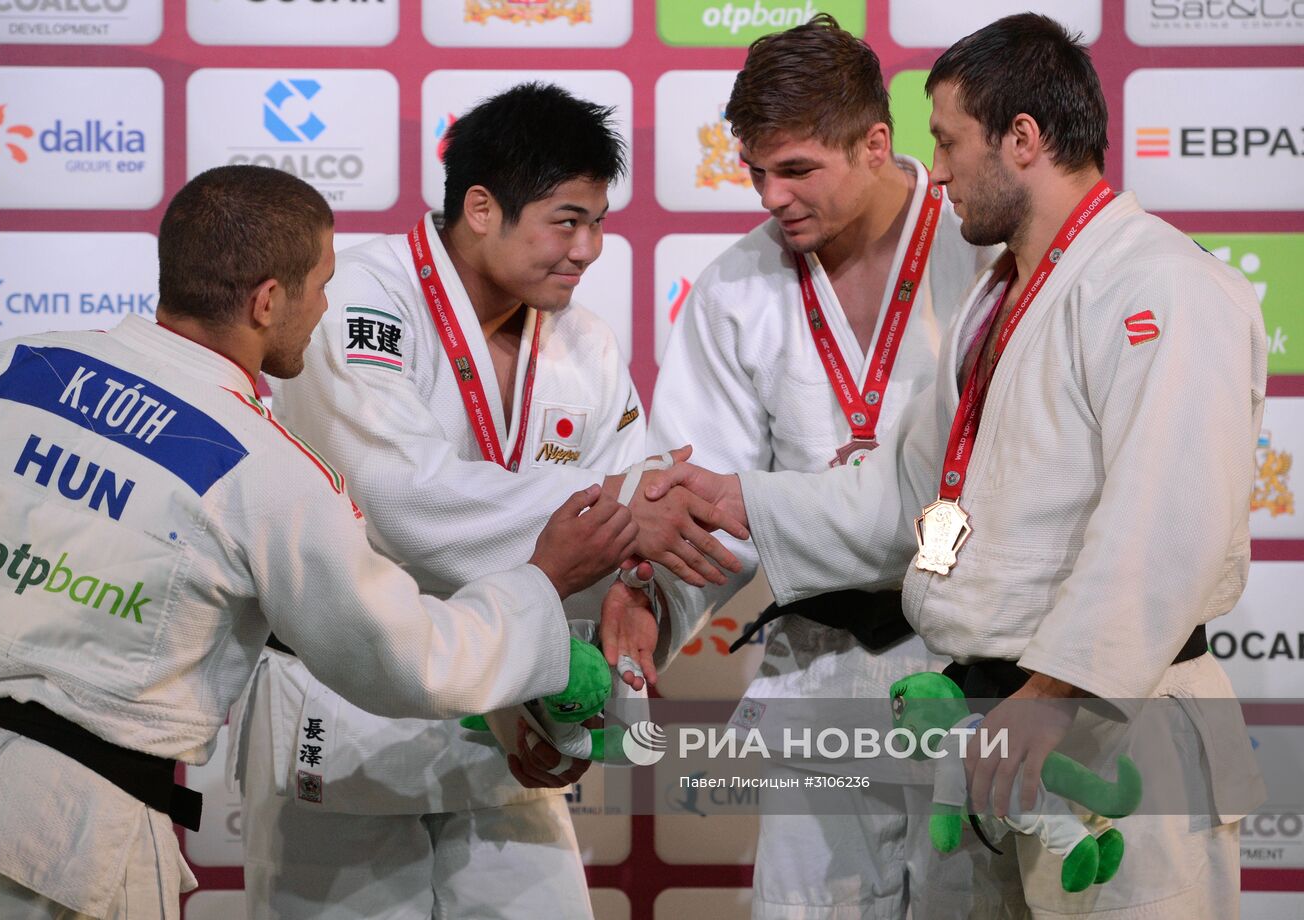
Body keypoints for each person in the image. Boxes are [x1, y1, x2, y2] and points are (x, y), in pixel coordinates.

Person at [642, 13, 1267, 918]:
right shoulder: (1000, 296)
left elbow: (1164, 525)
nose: (934, 171)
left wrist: (1056, 690)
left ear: (1022, 140)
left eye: (946, 141)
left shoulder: (1162, 285)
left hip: (1112, 720)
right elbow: (914, 496)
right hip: (988, 719)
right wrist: (741, 499)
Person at [0, 164, 639, 919]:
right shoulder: (266, 467)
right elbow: (406, 658)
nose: (326, 308)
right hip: (64, 839)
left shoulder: (0, 373)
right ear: (267, 301)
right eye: (321, 285)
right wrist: (541, 580)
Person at [232, 82, 747, 920]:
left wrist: (595, 656)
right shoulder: (359, 299)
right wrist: (622, 504)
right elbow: (397, 498)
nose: (587, 250)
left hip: (504, 715)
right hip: (354, 701)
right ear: (480, 208)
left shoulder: (584, 341)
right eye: (566, 220)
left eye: (599, 223)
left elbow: (616, 544)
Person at [637, 15, 1013, 920]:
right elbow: (703, 510)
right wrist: (648, 609)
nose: (770, 194)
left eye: (797, 168)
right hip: (817, 667)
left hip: (971, 659)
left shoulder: (987, 249)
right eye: (755, 169)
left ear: (876, 144)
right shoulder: (732, 288)